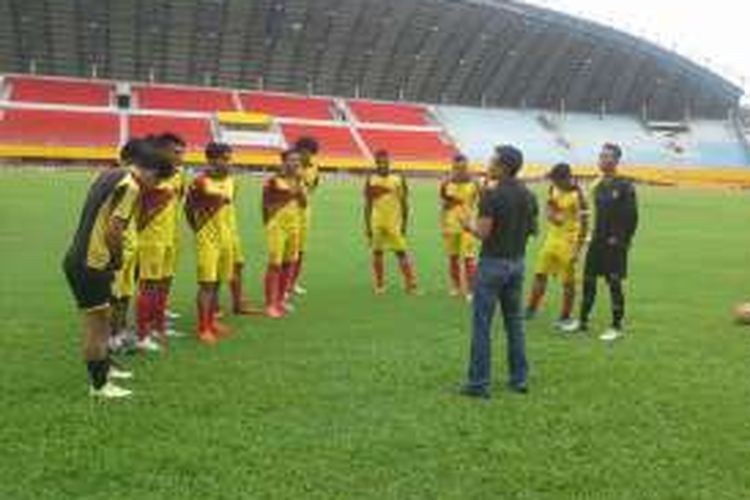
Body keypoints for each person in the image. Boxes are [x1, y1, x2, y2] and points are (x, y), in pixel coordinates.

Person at [63, 141, 169, 398]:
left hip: (82, 258)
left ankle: (106, 369)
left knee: (104, 318)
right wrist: (117, 259)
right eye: (156, 182)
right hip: (92, 262)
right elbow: (114, 229)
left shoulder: (109, 174)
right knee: (96, 325)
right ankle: (99, 386)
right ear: (152, 172)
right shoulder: (131, 186)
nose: (152, 188)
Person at [461, 145, 538, 399]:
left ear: (503, 166)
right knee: (514, 323)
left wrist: (467, 225)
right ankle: (520, 378)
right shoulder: (529, 195)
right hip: (517, 262)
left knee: (482, 324)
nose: (489, 164)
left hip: (493, 263)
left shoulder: (490, 195)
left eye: (493, 160)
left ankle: (478, 383)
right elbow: (532, 230)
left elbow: (483, 233)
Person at [561, 143, 638, 341]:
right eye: (601, 156)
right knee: (588, 281)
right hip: (597, 241)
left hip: (615, 244)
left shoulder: (625, 186)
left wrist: (622, 240)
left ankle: (616, 326)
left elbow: (632, 217)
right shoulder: (599, 184)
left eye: (607, 157)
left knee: (614, 284)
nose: (602, 160)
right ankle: (583, 321)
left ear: (616, 160)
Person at [134, 133, 186, 352]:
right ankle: (142, 335)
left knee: (164, 283)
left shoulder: (179, 175)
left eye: (182, 152)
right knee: (149, 286)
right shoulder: (148, 175)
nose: (180, 157)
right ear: (162, 151)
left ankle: (158, 326)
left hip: (170, 238)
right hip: (150, 240)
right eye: (176, 152)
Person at [184, 142, 237, 344]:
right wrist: (198, 229)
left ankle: (212, 321)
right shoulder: (199, 183)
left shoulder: (232, 181)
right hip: (207, 240)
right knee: (206, 284)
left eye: (229, 158)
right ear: (212, 160)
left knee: (217, 282)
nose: (229, 163)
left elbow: (228, 210)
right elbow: (188, 209)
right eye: (225, 159)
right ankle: (203, 327)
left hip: (226, 239)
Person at [525, 163, 589, 329]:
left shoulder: (579, 195)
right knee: (540, 274)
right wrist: (551, 215)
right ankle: (531, 309)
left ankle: (565, 316)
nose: (554, 183)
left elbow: (585, 223)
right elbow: (549, 207)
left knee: (568, 282)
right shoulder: (553, 188)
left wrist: (578, 248)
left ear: (566, 178)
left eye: (556, 180)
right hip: (552, 239)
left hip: (570, 241)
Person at [364, 150, 418, 295]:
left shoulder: (398, 179)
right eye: (379, 162)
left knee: (401, 253)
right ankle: (379, 284)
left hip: (394, 223)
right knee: (377, 253)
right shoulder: (371, 179)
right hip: (377, 222)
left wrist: (404, 223)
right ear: (376, 163)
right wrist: (368, 226)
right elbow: (368, 204)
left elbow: (404, 203)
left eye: (385, 162)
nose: (383, 165)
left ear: (389, 162)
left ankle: (410, 284)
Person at [262, 149, 306, 318]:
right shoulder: (273, 181)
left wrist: (299, 189)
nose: (295, 163)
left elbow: (303, 204)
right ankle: (270, 304)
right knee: (274, 265)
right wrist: (269, 224)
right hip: (277, 228)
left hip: (293, 226)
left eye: (298, 160)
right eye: (292, 160)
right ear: (284, 161)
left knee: (289, 264)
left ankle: (280, 300)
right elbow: (265, 205)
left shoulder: (298, 180)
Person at [109, 139, 144, 352]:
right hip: (119, 248)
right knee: (114, 296)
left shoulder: (132, 181)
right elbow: (112, 224)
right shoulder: (123, 182)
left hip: (131, 245)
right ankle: (111, 339)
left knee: (125, 294)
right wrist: (116, 255)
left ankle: (120, 334)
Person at [440, 154, 480, 299]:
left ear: (467, 167)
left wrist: (477, 222)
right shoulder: (445, 183)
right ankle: (456, 287)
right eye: (457, 168)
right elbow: (444, 206)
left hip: (468, 227)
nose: (460, 171)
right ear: (452, 167)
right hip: (451, 227)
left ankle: (471, 290)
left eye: (463, 168)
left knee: (469, 259)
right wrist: (443, 224)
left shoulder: (474, 183)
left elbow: (482, 204)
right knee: (453, 258)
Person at [289, 136, 320, 298]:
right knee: (288, 251)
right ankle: (283, 286)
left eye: (310, 153)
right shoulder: (291, 166)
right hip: (289, 213)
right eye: (304, 152)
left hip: (305, 213)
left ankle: (293, 283)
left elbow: (313, 186)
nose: (307, 156)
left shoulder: (315, 167)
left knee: (300, 251)